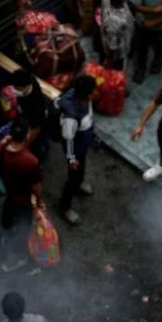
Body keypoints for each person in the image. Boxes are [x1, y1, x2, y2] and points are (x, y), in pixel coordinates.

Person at [0, 119, 42, 271]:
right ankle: (11, 261)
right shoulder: (31, 161)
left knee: (7, 223)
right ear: (27, 136)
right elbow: (37, 187)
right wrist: (39, 202)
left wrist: (1, 144)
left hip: (2, 196)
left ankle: (6, 238)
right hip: (21, 202)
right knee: (21, 231)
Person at [59, 75, 97, 224]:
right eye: (93, 91)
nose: (95, 92)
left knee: (82, 167)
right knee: (72, 179)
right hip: (75, 151)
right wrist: (71, 159)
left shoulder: (82, 97)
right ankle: (64, 207)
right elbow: (68, 139)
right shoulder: (71, 117)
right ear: (87, 94)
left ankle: (80, 182)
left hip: (83, 146)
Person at [128, 0, 162, 84]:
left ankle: (157, 61)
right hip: (143, 23)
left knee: (160, 46)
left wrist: (153, 23)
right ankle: (141, 68)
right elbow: (134, 6)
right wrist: (154, 10)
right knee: (141, 48)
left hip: (161, 25)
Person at [0, 69, 48, 161]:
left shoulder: (36, 105)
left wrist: (24, 146)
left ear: (26, 87)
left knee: (35, 150)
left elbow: (36, 128)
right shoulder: (23, 81)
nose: (14, 90)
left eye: (17, 88)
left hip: (33, 125)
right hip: (21, 117)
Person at [100, 0, 134, 70]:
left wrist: (108, 61)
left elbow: (112, 46)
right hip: (124, 46)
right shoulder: (125, 7)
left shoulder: (113, 22)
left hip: (117, 53)